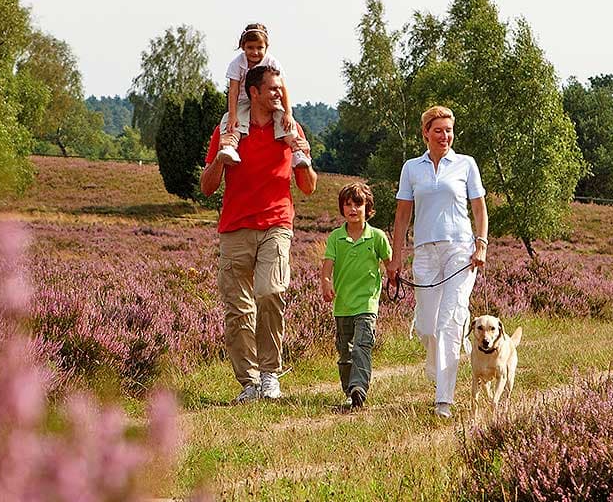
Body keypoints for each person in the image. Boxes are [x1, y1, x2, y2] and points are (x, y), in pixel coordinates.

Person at [200, 64, 317, 403]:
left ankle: (269, 374)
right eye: (273, 90)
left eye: (280, 89)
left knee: (270, 292)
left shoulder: (290, 129)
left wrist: (302, 157)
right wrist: (221, 158)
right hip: (235, 228)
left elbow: (308, 187)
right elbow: (207, 187)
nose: (279, 95)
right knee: (238, 311)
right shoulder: (230, 128)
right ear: (254, 92)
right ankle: (248, 383)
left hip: (277, 225)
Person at [386, 105, 488, 419]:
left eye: (449, 130)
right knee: (429, 325)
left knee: (449, 321)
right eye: (438, 130)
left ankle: (444, 398)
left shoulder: (466, 164)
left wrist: (481, 245)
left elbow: (480, 210)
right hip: (425, 252)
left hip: (460, 250)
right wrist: (396, 257)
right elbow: (402, 215)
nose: (445, 136)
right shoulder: (411, 168)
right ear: (426, 133)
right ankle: (443, 364)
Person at [321, 183, 392, 409]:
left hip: (367, 303)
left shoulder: (377, 237)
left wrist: (395, 274)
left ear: (367, 207)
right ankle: (349, 391)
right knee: (345, 353)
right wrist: (325, 282)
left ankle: (359, 388)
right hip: (342, 305)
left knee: (362, 346)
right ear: (342, 208)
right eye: (348, 204)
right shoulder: (335, 237)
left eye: (358, 204)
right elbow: (327, 265)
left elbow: (390, 264)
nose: (353, 209)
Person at [216, 23, 310, 170]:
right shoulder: (237, 64)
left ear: (266, 47)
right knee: (232, 122)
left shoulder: (272, 63)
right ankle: (229, 147)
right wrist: (233, 115)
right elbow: (233, 91)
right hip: (243, 100)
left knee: (284, 121)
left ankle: (297, 151)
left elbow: (283, 89)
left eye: (260, 48)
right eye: (250, 47)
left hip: (268, 101)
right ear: (243, 47)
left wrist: (288, 113)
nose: (255, 52)